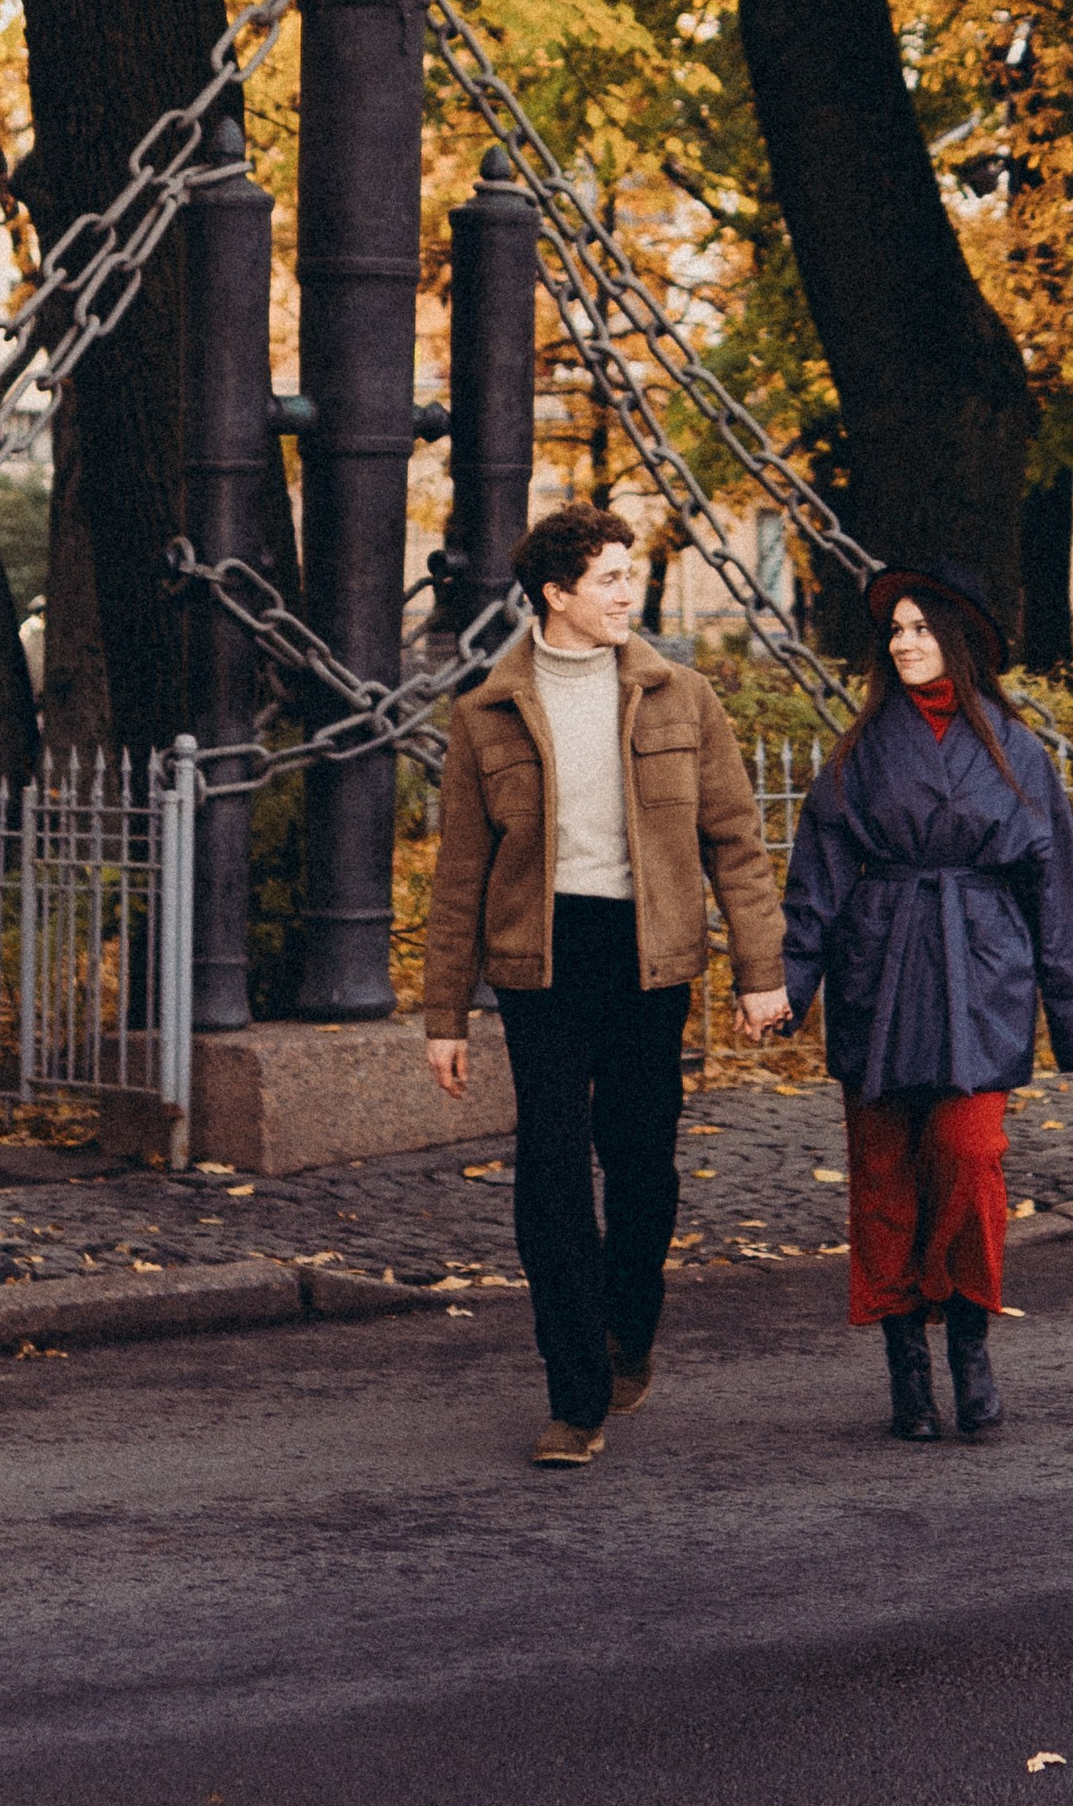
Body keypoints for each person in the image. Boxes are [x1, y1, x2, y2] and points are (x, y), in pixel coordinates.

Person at [424, 505, 789, 1469]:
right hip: (540, 962)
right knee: (549, 1171)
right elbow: (459, 875)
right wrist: (444, 1016)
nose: (631, 591)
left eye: (633, 574)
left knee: (642, 1165)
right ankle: (574, 1393)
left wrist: (764, 973)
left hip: (649, 952)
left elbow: (737, 846)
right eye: (611, 578)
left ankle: (631, 1328)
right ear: (558, 596)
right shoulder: (486, 712)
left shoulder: (683, 697)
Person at [779, 559, 1073, 1443]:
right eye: (895, 631)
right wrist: (788, 987)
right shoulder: (857, 753)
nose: (904, 644)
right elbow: (815, 882)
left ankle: (968, 1338)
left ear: (960, 643)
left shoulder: (1018, 752)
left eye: (922, 629)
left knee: (971, 1160)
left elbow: (1059, 895)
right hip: (879, 973)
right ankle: (906, 1367)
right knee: (885, 1179)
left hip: (982, 973)